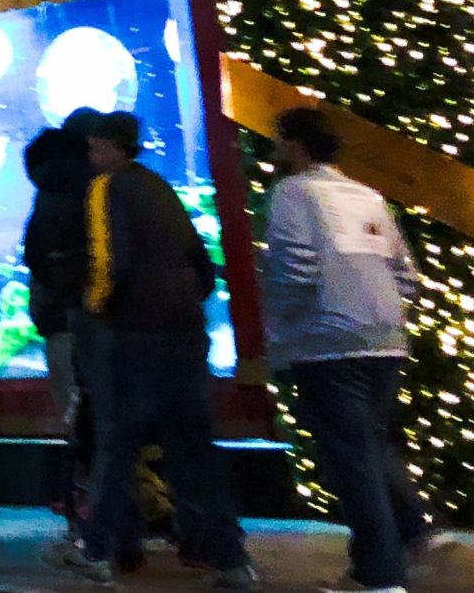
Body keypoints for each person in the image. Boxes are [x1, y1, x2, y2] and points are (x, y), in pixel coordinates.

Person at [46, 111, 252, 588]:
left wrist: (96, 311)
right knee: (194, 448)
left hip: (135, 335)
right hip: (185, 332)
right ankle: (232, 558)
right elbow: (200, 260)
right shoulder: (160, 187)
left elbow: (105, 260)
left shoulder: (106, 188)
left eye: (96, 148)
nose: (93, 157)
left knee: (118, 444)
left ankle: (97, 550)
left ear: (109, 148)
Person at [261, 107, 427, 593]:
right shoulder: (369, 196)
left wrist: (279, 325)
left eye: (279, 141)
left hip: (326, 342)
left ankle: (382, 573)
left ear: (294, 144)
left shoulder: (292, 193)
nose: (275, 151)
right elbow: (406, 276)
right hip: (386, 341)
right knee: (368, 445)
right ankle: (403, 536)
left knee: (349, 459)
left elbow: (296, 268)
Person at [24, 117, 96, 527]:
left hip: (66, 320)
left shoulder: (53, 194)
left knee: (77, 413)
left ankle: (85, 509)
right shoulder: (99, 187)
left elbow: (37, 255)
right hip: (97, 318)